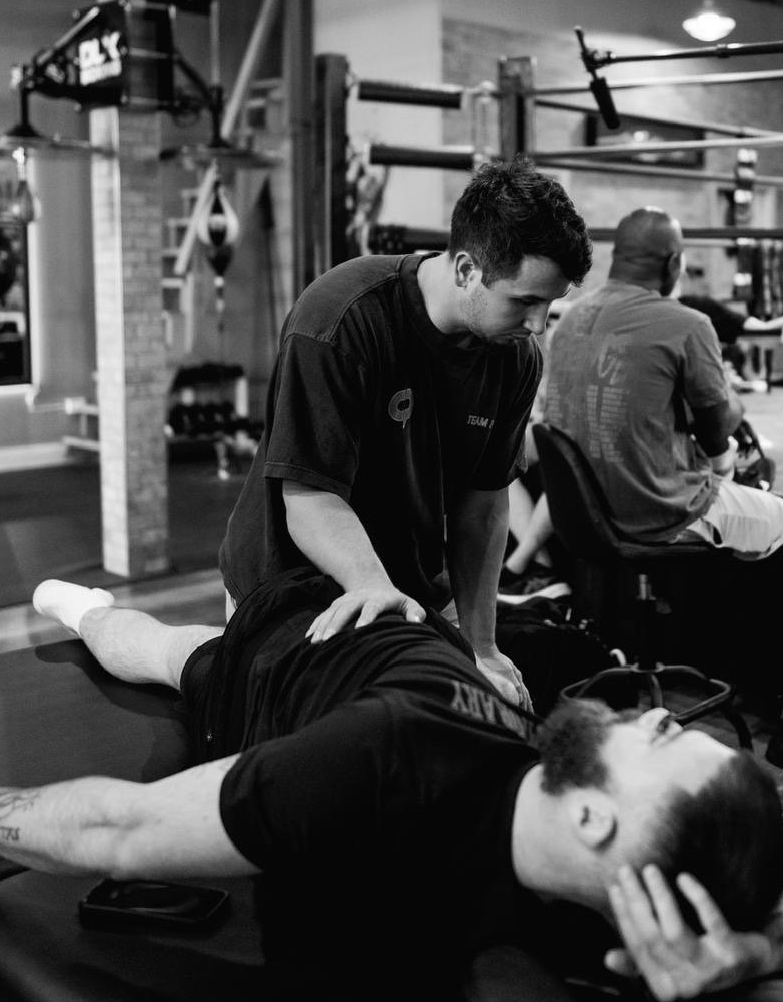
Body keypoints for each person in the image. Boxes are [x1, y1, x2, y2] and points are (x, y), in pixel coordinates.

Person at [0, 577, 783, 1002]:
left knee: (172, 654)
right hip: (338, 630)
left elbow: (121, 830)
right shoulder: (595, 884)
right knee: (152, 648)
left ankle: (92, 606)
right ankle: (72, 601)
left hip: (341, 676)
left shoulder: (381, 774)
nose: (650, 716)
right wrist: (759, 951)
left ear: (596, 825)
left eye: (663, 742)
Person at [218, 156, 593, 710]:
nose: (538, 325)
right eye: (525, 301)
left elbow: (483, 505)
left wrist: (482, 643)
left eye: (550, 305)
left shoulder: (514, 358)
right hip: (288, 590)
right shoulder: (342, 318)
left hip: (408, 591)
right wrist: (370, 584)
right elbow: (310, 494)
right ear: (467, 269)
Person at [542, 207, 783, 787]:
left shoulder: (568, 319)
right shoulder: (685, 324)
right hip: (665, 513)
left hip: (585, 518)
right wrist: (724, 420)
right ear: (674, 263)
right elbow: (719, 431)